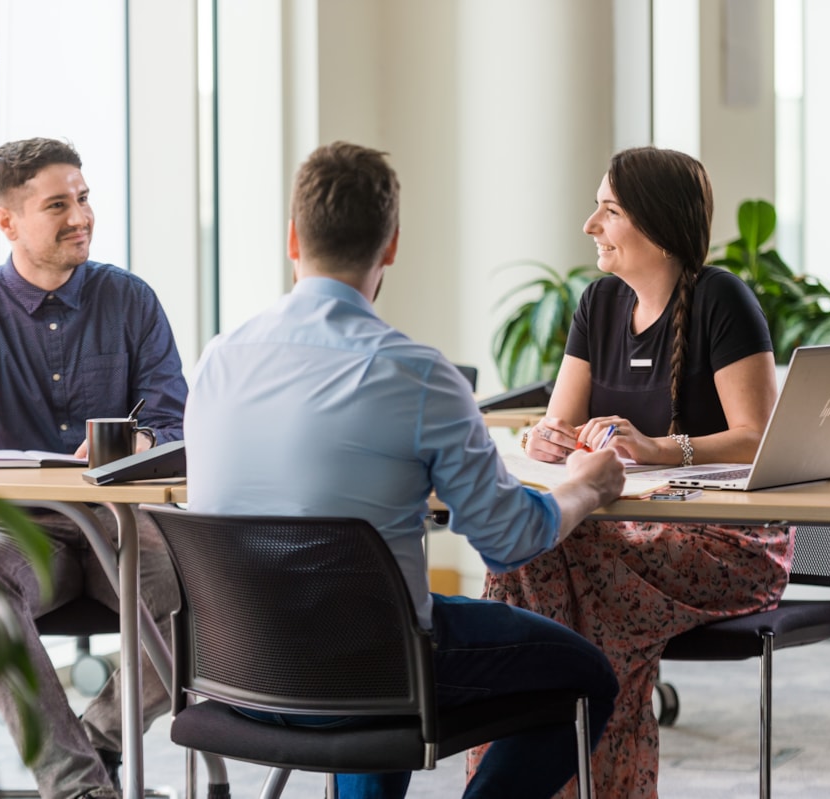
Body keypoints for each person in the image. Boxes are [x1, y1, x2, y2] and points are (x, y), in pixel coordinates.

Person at [183, 140, 626, 799]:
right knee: (587, 675)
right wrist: (585, 487)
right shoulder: (414, 373)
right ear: (391, 245)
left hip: (236, 663)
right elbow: (507, 540)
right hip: (367, 669)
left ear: (292, 238)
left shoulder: (217, 359)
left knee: (381, 625)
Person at [469, 146, 794, 798]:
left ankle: (544, 777)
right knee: (528, 549)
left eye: (609, 210)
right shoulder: (598, 304)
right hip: (625, 535)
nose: (590, 223)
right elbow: (555, 425)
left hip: (732, 543)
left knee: (559, 559)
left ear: (656, 223)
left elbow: (760, 438)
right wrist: (549, 437)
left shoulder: (720, 299)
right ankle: (544, 764)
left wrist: (658, 447)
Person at [0, 137, 187, 799]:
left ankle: (93, 743)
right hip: (20, 530)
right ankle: (79, 786)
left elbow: (174, 418)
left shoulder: (132, 301)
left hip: (122, 520)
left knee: (200, 586)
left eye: (84, 198)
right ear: (7, 221)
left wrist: (141, 438)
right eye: (58, 204)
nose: (81, 216)